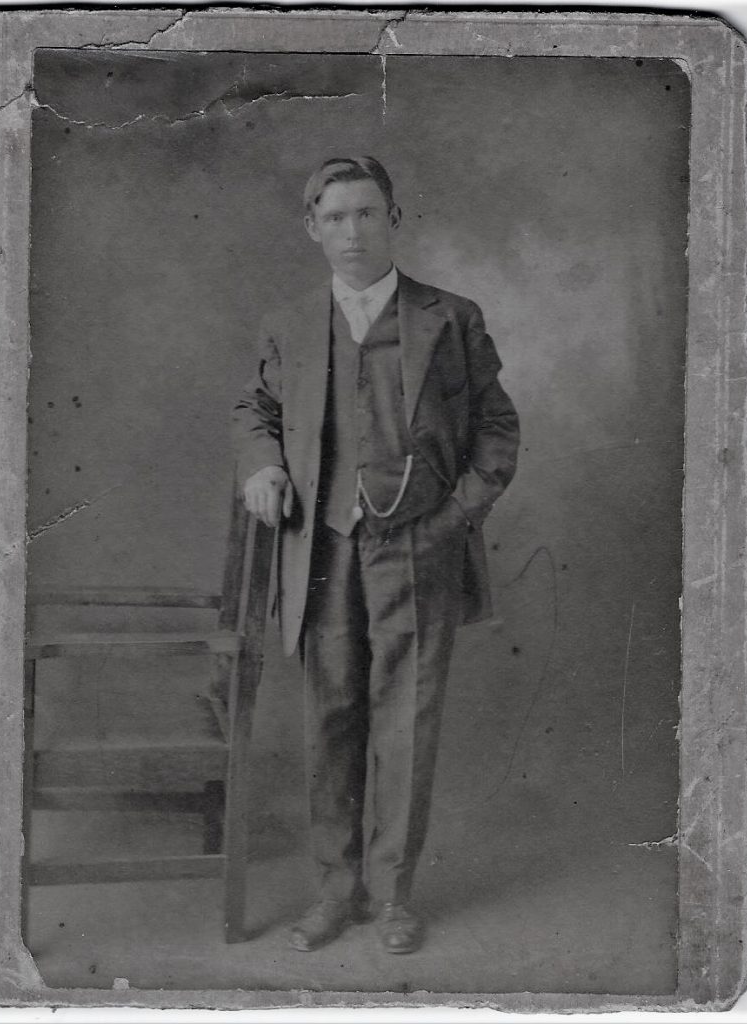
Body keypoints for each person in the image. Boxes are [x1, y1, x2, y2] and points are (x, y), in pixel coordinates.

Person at [233, 156, 520, 954]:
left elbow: (497, 428)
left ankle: (393, 898)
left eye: (367, 214)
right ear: (312, 228)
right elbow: (254, 409)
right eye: (335, 218)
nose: (352, 232)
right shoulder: (290, 320)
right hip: (322, 551)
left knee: (406, 723)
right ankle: (334, 891)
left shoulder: (451, 318)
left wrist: (454, 518)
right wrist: (261, 464)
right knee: (330, 721)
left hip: (417, 549)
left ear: (395, 217)